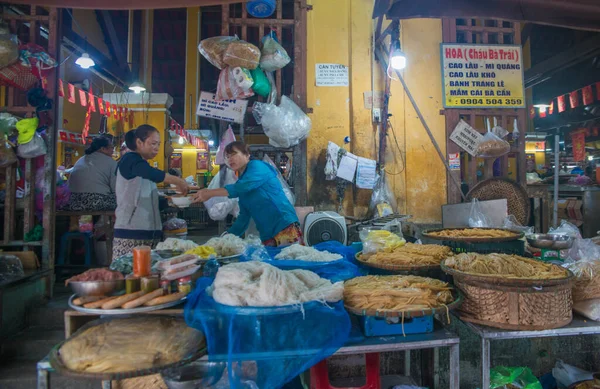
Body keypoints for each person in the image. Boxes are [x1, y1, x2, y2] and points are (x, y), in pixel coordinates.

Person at [191, 141, 300, 247]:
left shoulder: (258, 166)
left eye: (234, 154)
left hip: (284, 225)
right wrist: (226, 237)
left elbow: (243, 187)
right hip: (267, 234)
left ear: (247, 154)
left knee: (290, 261)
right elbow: (243, 217)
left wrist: (209, 193)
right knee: (273, 263)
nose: (230, 159)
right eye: (227, 157)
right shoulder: (242, 182)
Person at [112, 125, 189, 260]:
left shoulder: (143, 164)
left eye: (158, 144)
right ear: (139, 143)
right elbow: (150, 173)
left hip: (149, 233)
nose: (156, 148)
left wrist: (170, 201)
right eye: (152, 143)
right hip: (131, 233)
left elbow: (146, 198)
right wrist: (178, 181)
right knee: (129, 275)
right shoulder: (130, 160)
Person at [63, 136, 117, 211]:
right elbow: (116, 188)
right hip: (96, 201)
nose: (113, 150)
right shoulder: (112, 163)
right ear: (103, 149)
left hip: (74, 201)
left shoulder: (81, 159)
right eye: (111, 147)